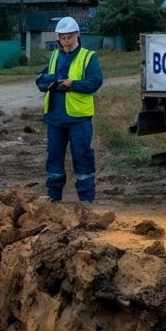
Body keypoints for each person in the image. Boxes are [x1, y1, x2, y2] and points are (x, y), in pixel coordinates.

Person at [35, 17, 103, 203]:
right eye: (62, 37)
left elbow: (95, 82)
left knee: (83, 157)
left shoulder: (88, 57)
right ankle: (53, 200)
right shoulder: (55, 56)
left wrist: (73, 84)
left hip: (78, 119)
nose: (66, 41)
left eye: (69, 37)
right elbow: (43, 78)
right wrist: (48, 81)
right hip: (55, 118)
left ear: (77, 36)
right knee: (54, 159)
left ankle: (86, 202)